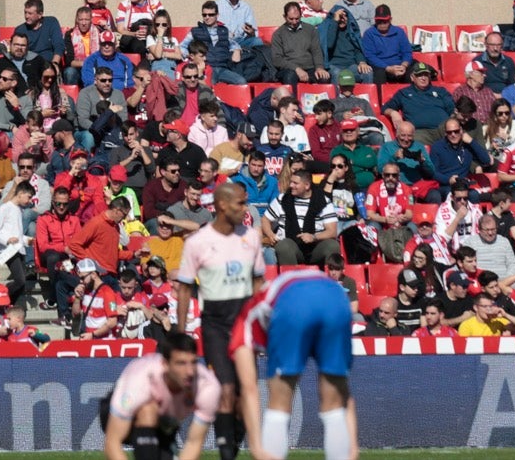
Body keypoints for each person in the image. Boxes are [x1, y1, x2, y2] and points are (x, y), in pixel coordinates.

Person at [174, 183, 262, 460]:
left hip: (245, 323)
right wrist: (179, 334)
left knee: (242, 394)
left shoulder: (251, 236)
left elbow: (259, 283)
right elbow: (185, 288)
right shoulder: (197, 242)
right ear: (222, 205)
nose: (244, 209)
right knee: (224, 387)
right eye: (240, 204)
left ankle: (232, 446)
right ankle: (226, 454)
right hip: (215, 324)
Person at [232, 271, 358, 460]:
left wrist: (256, 447)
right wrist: (353, 447)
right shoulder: (273, 289)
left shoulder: (246, 318)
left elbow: (249, 389)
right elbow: (346, 396)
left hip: (292, 305)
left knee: (279, 402)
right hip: (337, 298)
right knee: (334, 402)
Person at [102, 333, 219, 460]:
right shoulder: (139, 380)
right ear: (165, 364)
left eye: (193, 362)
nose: (190, 372)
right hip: (118, 410)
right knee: (148, 410)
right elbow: (112, 443)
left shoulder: (208, 387)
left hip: (165, 422)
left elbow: (194, 443)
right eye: (181, 363)